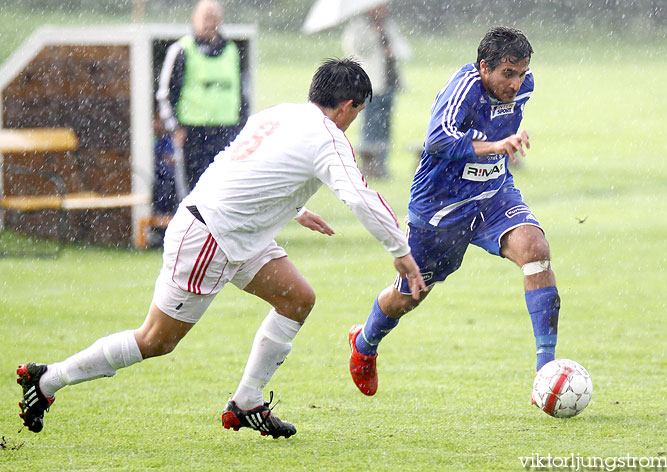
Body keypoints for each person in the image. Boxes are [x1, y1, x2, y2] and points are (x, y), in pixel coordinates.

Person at [16, 58, 426, 438]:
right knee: (156, 339)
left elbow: (249, 166)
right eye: (357, 112)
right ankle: (48, 379)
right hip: (209, 237)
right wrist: (400, 251)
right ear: (348, 106)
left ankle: (246, 402)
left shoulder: (279, 114)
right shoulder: (329, 137)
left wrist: (296, 209)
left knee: (297, 299)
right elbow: (360, 197)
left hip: (240, 236)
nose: (354, 121)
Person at [348, 27, 561, 397]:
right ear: (483, 68)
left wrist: (500, 147)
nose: (516, 83)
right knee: (410, 296)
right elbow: (437, 139)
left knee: (535, 251)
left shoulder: (524, 88)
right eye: (507, 73)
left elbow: (502, 116)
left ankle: (546, 370)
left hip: (494, 194)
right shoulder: (463, 88)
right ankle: (364, 344)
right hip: (441, 207)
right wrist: (497, 143)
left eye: (522, 73)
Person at [157, 0, 249, 192]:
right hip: (193, 133)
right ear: (194, 19)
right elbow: (165, 94)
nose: (210, 22)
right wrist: (175, 128)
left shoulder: (232, 50)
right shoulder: (182, 50)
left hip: (226, 131)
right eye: (205, 17)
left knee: (226, 190)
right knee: (194, 192)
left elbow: (241, 94)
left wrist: (243, 127)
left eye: (214, 17)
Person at [341, 3, 411, 179]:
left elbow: (402, 48)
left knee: (385, 126)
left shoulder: (389, 25)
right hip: (371, 83)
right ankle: (368, 165)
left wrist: (391, 49)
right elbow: (357, 48)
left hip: (389, 82)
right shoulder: (358, 26)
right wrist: (374, 33)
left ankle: (381, 165)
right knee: (371, 124)